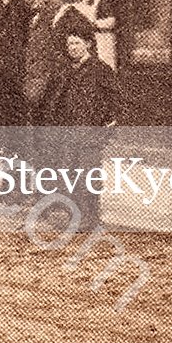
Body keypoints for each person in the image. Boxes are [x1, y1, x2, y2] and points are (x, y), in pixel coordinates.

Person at [39, 26, 119, 232]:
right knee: (70, 174)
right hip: (68, 131)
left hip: (90, 131)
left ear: (88, 44)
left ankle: (91, 217)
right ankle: (76, 214)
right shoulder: (65, 71)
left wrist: (106, 126)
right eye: (69, 44)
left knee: (88, 176)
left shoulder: (100, 70)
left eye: (76, 43)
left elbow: (115, 102)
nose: (72, 48)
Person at [69, 0, 117, 70]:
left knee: (105, 64)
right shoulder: (75, 5)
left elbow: (111, 21)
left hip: (103, 39)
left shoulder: (98, 1)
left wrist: (94, 24)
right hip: (87, 40)